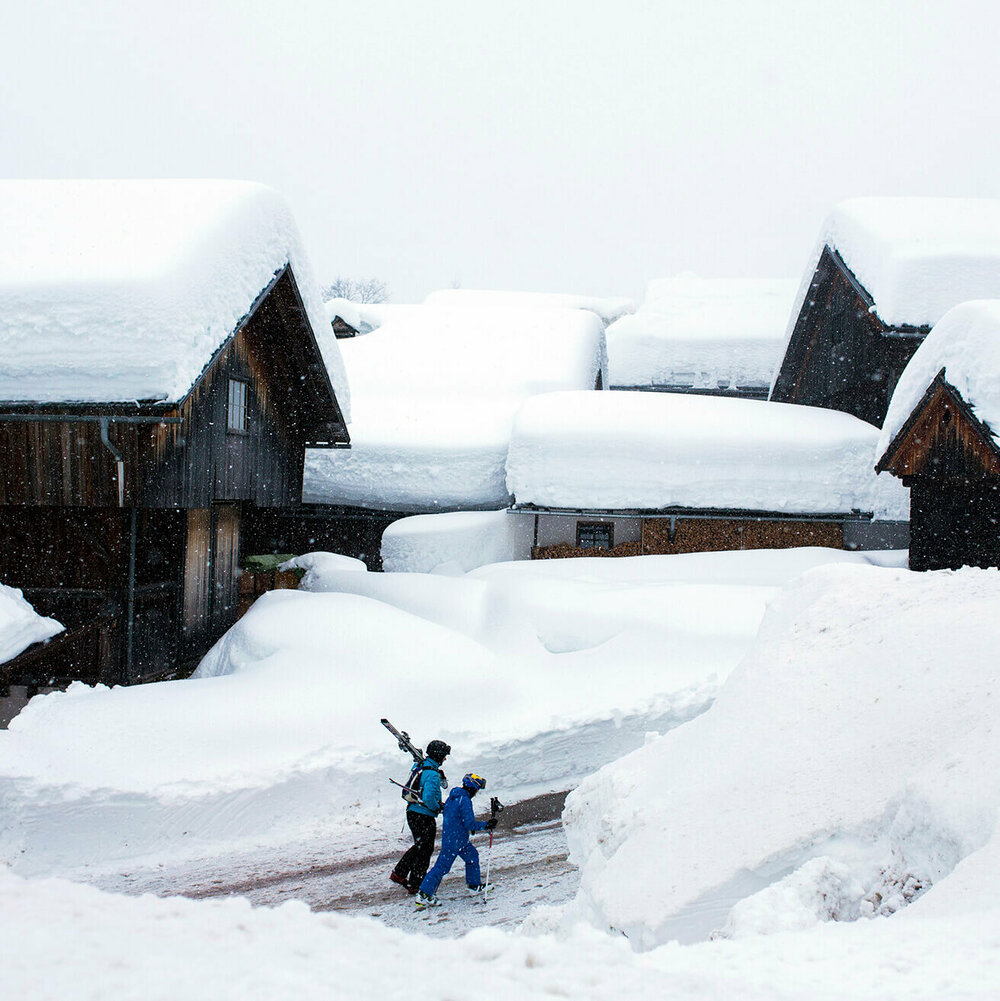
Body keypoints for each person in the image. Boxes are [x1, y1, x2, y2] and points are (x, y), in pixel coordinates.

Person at [415, 772, 497, 907]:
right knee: (441, 867)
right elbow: (469, 823)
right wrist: (486, 825)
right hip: (454, 842)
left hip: (457, 839)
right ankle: (424, 894)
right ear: (472, 788)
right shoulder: (464, 800)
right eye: (476, 790)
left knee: (472, 857)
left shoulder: (453, 797)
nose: (476, 793)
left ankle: (474, 885)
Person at [389, 738, 450, 894]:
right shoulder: (432, 774)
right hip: (423, 815)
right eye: (444, 755)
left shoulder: (421, 766)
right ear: (438, 755)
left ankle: (400, 873)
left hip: (412, 812)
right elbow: (429, 797)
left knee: (420, 845)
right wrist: (438, 807)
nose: (445, 758)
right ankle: (416, 883)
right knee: (425, 849)